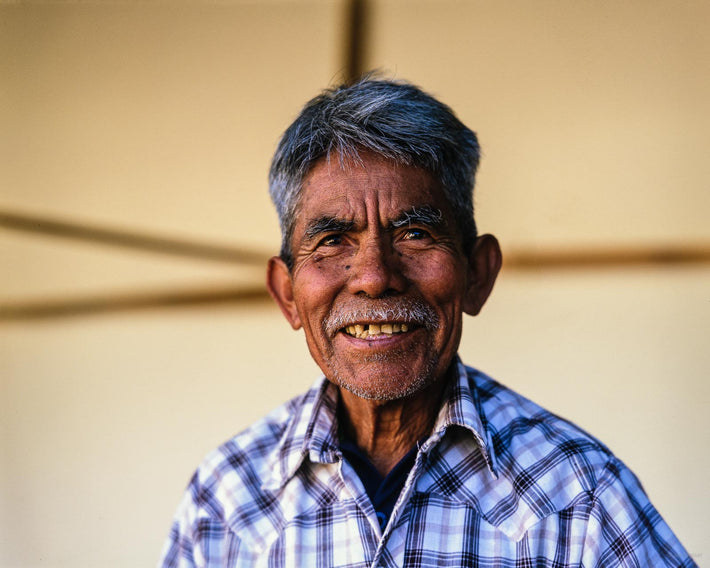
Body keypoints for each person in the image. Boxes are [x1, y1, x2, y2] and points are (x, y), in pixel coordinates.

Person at [159, 78, 696, 567]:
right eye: (331, 240)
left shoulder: (578, 496)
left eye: (415, 233)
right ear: (287, 295)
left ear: (478, 274)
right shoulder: (227, 500)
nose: (374, 277)